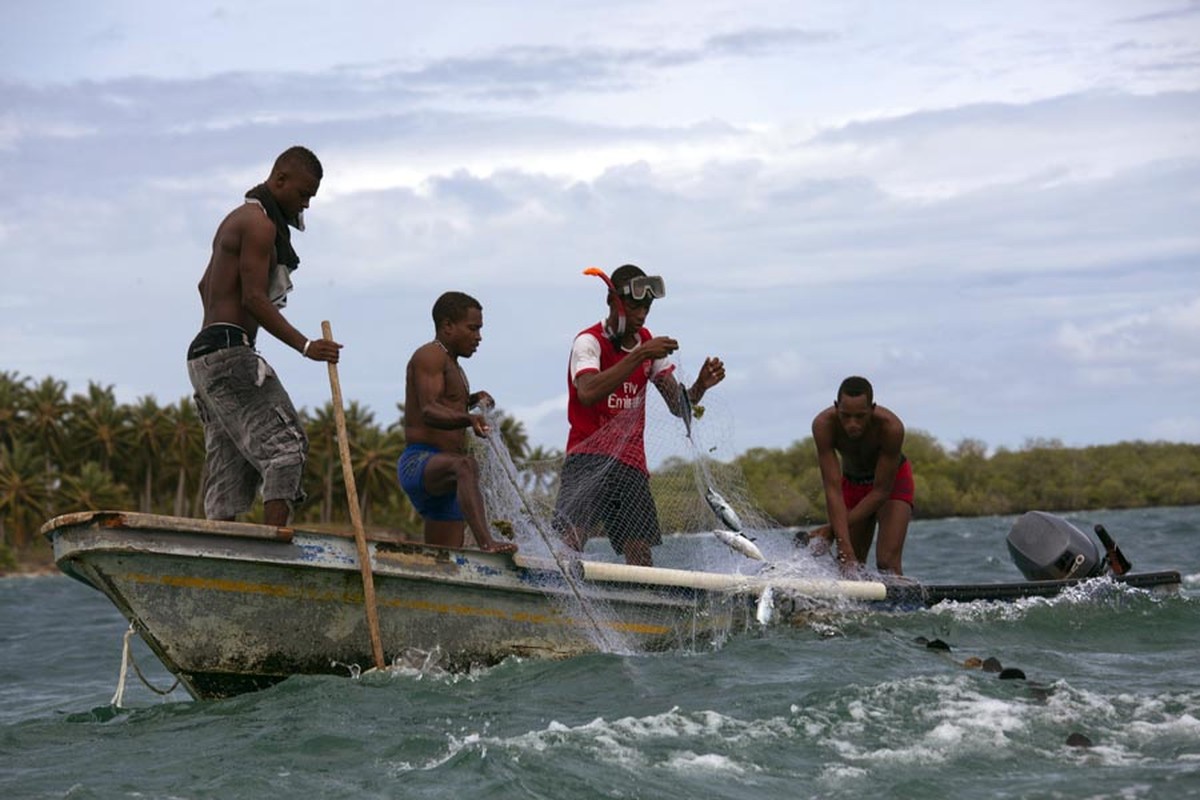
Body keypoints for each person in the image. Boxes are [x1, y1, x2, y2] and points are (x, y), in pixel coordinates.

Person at [187, 146, 342, 528]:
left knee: (230, 465)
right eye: (302, 194)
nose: (305, 205)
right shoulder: (259, 224)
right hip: (227, 350)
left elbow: (204, 285)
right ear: (279, 180)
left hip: (203, 356)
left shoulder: (236, 220)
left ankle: (220, 551)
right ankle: (275, 546)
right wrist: (306, 346)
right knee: (286, 448)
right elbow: (253, 298)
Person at [554, 264, 725, 566]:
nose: (642, 315)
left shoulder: (646, 343)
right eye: (634, 307)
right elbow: (588, 391)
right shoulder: (589, 342)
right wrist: (641, 355)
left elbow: (678, 405)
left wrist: (700, 386)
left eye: (647, 308)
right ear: (612, 301)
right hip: (588, 457)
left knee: (640, 557)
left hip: (630, 463)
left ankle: (640, 607)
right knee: (570, 544)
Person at [398, 291, 518, 554]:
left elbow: (447, 403)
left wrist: (473, 399)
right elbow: (429, 410)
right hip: (421, 462)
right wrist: (469, 417)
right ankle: (487, 543)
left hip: (447, 479)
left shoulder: (453, 364)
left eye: (480, 329)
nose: (479, 337)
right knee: (466, 465)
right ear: (448, 326)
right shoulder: (429, 356)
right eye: (473, 328)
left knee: (444, 561)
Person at [804, 376, 913, 576]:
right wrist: (844, 546)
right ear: (836, 407)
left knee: (886, 563)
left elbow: (880, 492)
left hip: (892, 483)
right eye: (845, 416)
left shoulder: (892, 428)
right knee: (849, 565)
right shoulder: (823, 425)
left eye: (861, 416)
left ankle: (902, 604)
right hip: (852, 483)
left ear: (873, 409)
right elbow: (832, 489)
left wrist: (832, 530)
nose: (852, 424)